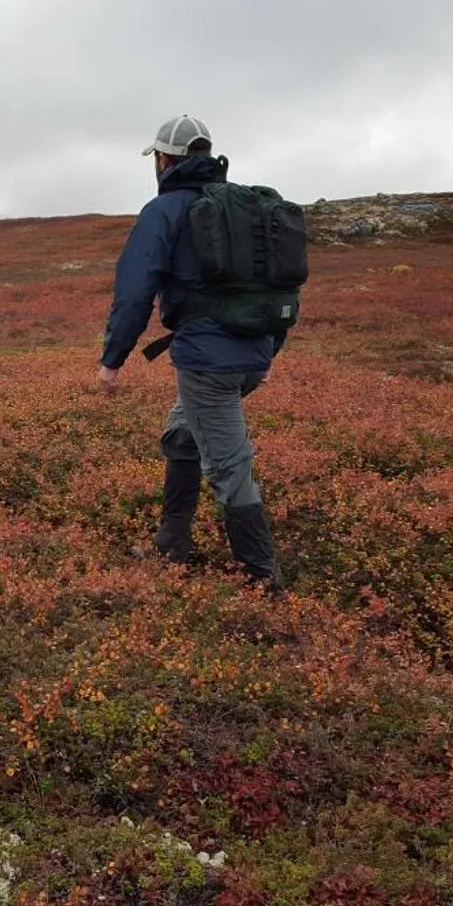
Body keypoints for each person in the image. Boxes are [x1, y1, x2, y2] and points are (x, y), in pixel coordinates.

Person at [97, 115, 286, 591]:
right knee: (183, 435)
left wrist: (112, 359)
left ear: (164, 160)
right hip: (252, 353)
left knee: (228, 467)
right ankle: (172, 542)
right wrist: (268, 349)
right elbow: (280, 281)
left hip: (207, 363)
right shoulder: (241, 205)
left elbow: (134, 291)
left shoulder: (163, 211)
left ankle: (263, 580)